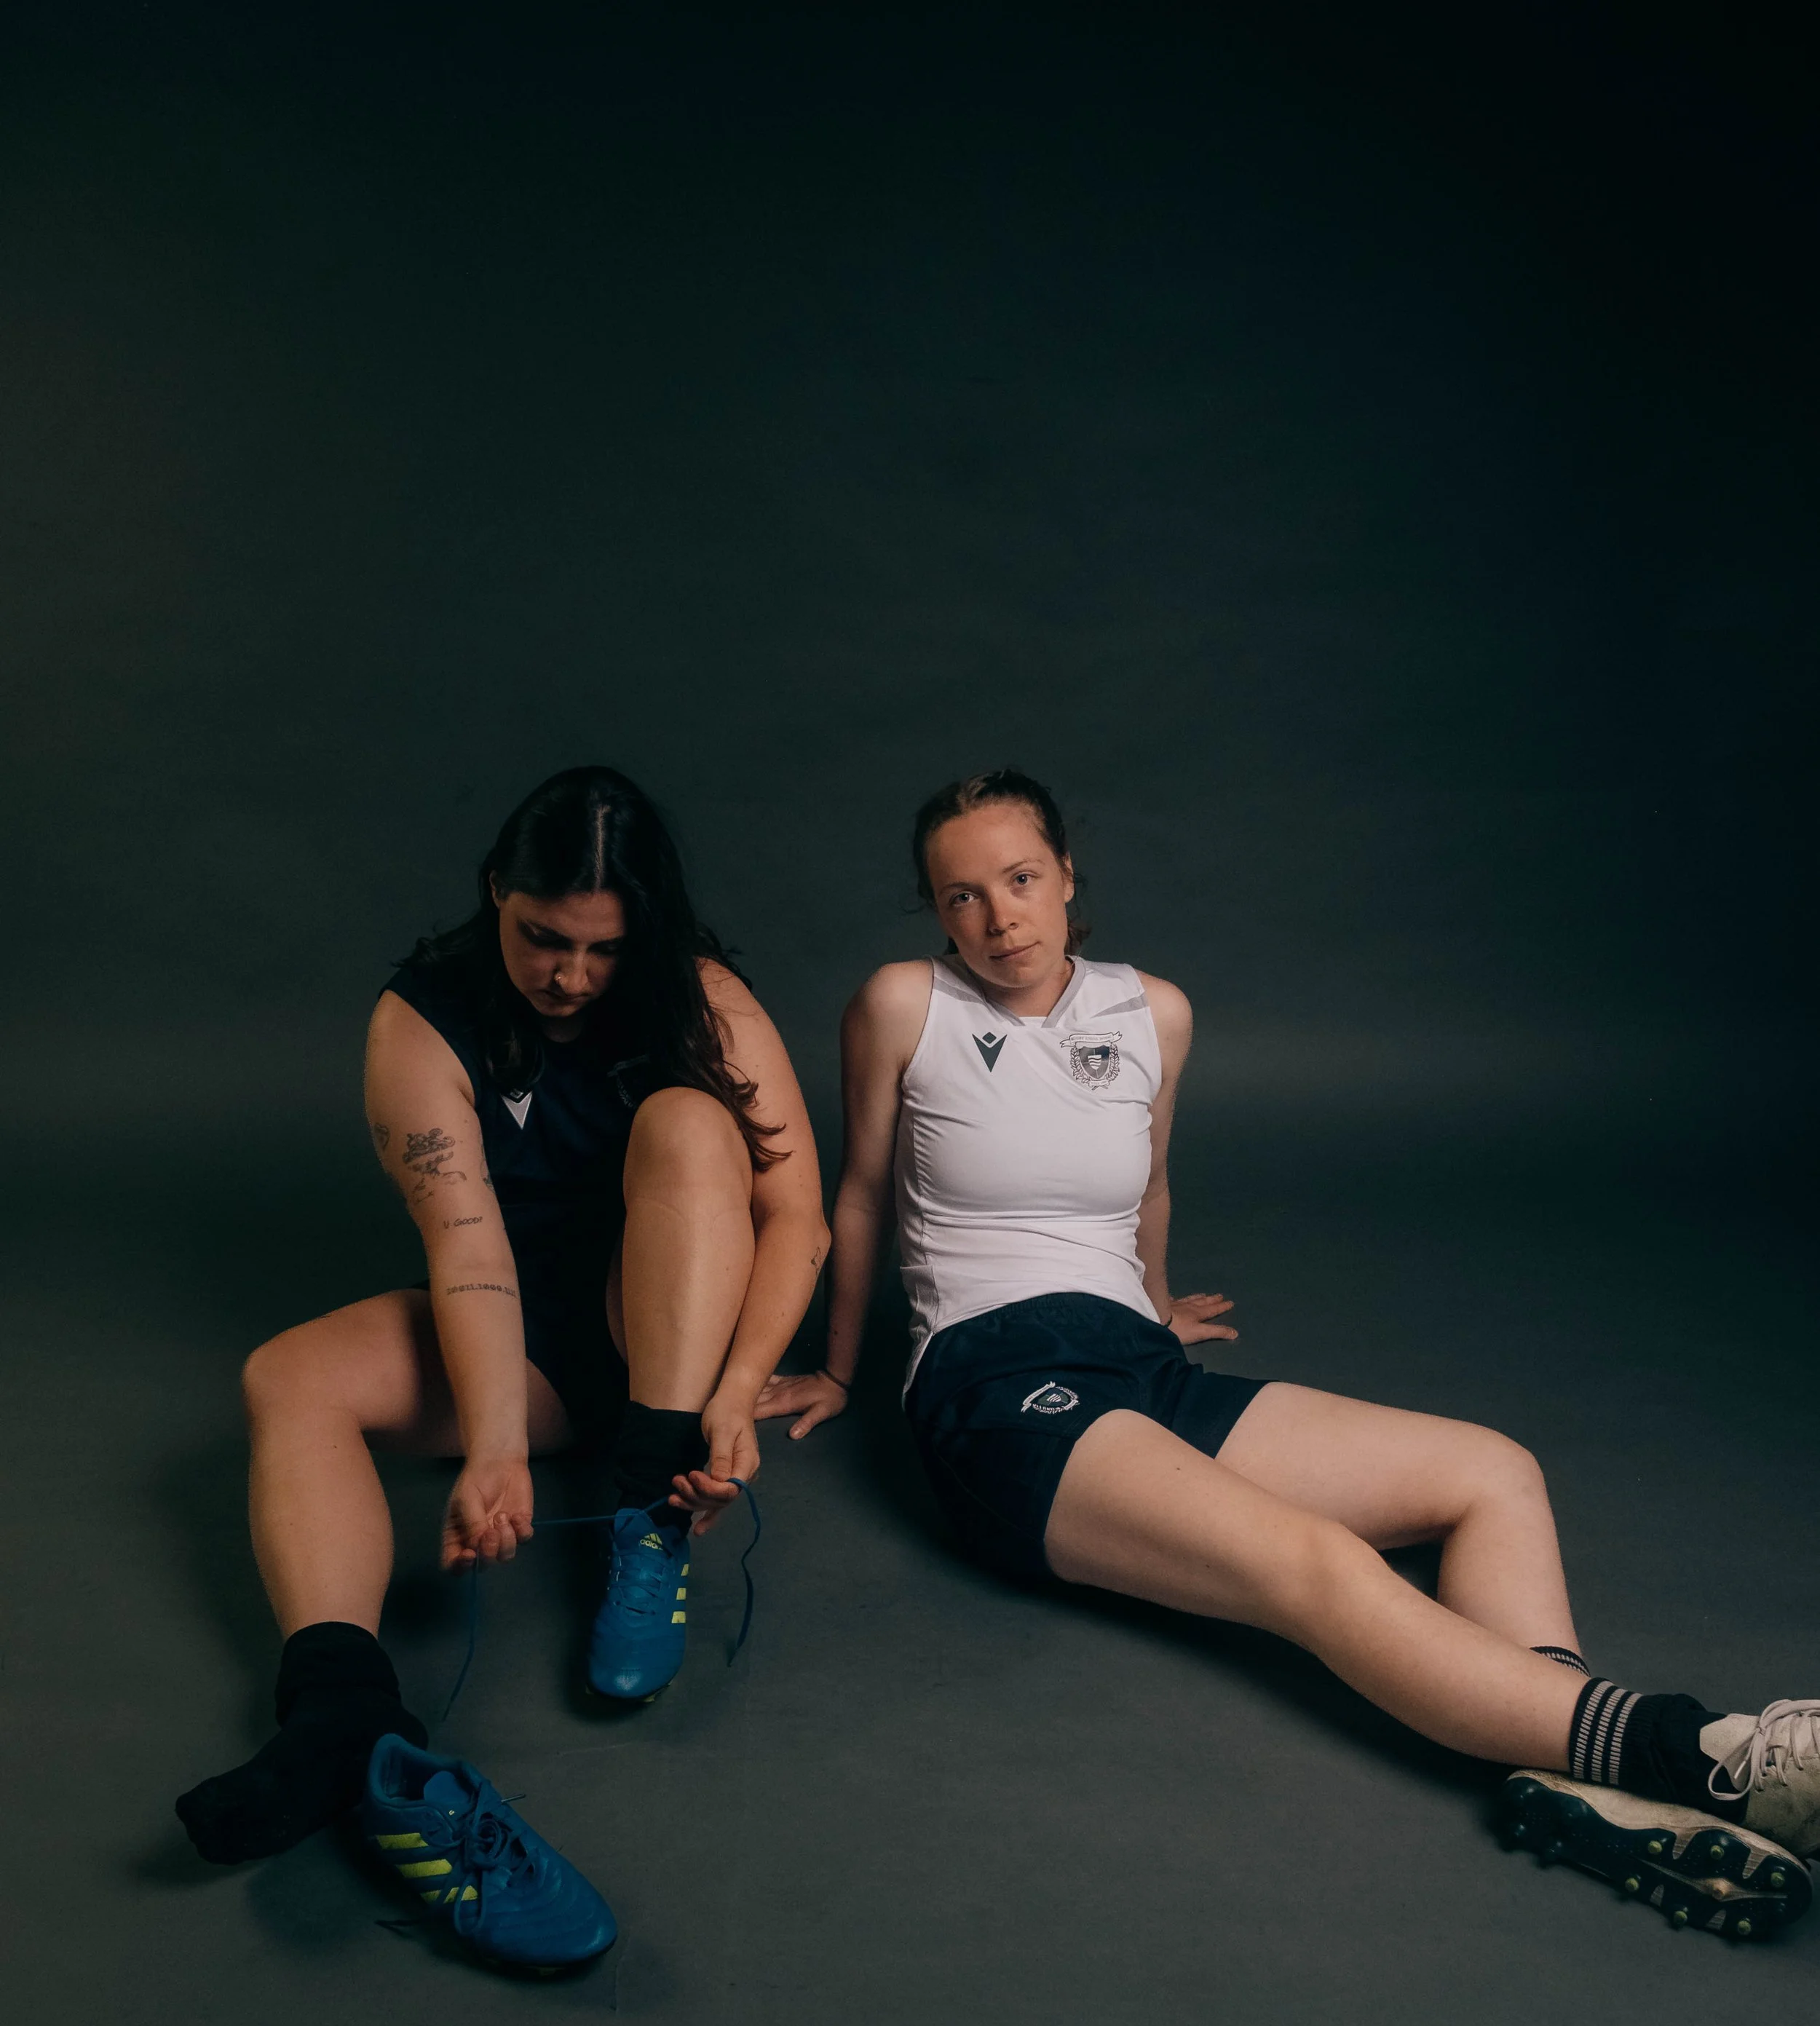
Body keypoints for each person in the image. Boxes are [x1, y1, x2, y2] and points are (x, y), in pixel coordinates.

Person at [759, 767, 1820, 1940]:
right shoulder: (907, 1004)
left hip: (1134, 1366)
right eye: (962, 897)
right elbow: (858, 1197)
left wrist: (1153, 1309)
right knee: (1311, 1565)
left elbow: (1145, 1188)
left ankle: (1576, 1788)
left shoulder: (1153, 1010)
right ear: (935, 913)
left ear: (1067, 877)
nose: (999, 917)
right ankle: (1708, 1754)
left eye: (1020, 880)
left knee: (1493, 1471)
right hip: (995, 1385)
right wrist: (846, 1371)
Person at [178, 766, 827, 1889]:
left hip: (661, 1329)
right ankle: (338, 1710)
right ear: (496, 892)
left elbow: (797, 1215)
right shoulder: (421, 1018)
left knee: (685, 1120)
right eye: (543, 939)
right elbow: (469, 1252)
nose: (569, 976)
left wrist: (736, 1389)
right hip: (520, 1339)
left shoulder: (701, 994)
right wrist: (495, 1446)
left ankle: (650, 1503)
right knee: (288, 1378)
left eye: (603, 950)